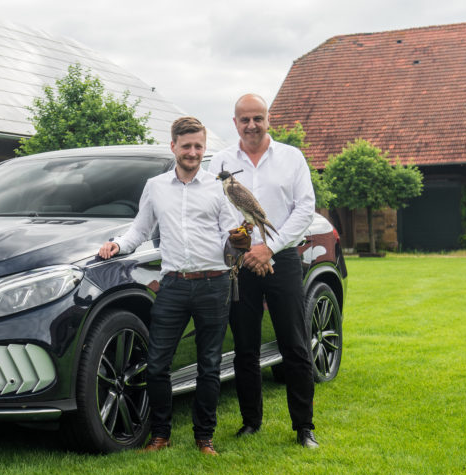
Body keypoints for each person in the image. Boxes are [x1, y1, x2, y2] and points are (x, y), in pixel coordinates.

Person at [98, 116, 242, 456]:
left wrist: (240, 241)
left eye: (198, 146)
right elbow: (140, 230)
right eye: (186, 146)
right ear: (173, 146)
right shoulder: (155, 187)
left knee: (209, 365)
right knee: (157, 364)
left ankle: (204, 438)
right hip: (174, 285)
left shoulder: (218, 188)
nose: (193, 152)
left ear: (204, 148)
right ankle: (160, 436)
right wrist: (117, 244)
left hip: (214, 284)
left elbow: (231, 232)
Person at [207, 93, 320, 448]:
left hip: (281, 258)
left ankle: (304, 427)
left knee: (295, 344)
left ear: (268, 119)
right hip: (240, 262)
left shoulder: (291, 157)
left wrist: (269, 247)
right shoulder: (220, 161)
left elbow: (305, 209)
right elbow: (210, 209)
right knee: (244, 347)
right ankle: (250, 422)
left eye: (258, 118)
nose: (252, 125)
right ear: (235, 123)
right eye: (245, 119)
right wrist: (242, 247)